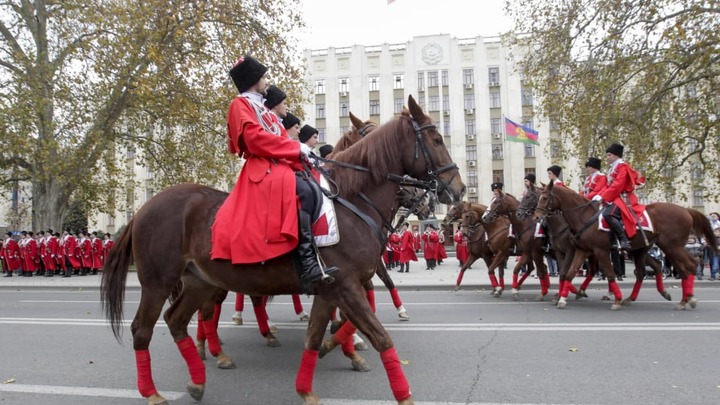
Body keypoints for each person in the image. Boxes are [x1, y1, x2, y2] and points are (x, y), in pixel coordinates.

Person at [210, 55, 337, 294]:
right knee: (304, 191)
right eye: (264, 77)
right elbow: (254, 139)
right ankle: (308, 263)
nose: (267, 81)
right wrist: (294, 147)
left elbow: (280, 138)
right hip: (263, 167)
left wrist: (303, 154)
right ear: (253, 80)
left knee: (315, 185)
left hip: (280, 163)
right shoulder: (240, 105)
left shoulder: (264, 108)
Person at [591, 143, 644, 251]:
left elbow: (618, 185)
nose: (607, 158)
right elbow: (608, 185)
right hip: (615, 196)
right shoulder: (613, 169)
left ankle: (623, 239)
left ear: (616, 155)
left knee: (608, 214)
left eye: (609, 155)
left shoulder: (622, 167)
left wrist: (604, 197)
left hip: (624, 197)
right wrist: (599, 195)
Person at [709, 212, 720, 280]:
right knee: (714, 264)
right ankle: (712, 275)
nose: (713, 217)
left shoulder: (718, 223)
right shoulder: (709, 224)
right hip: (715, 252)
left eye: (714, 216)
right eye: (711, 216)